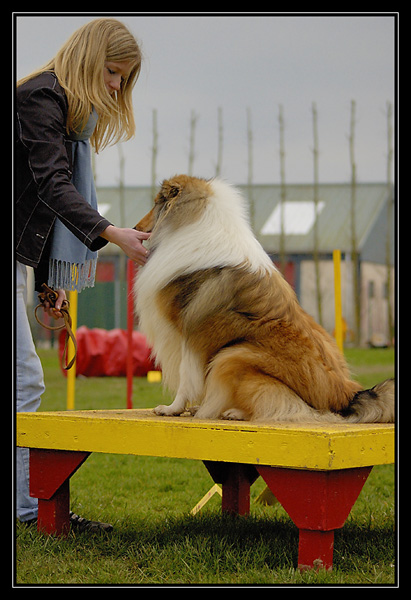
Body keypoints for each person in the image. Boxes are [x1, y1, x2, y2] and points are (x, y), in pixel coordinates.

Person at [15, 18, 150, 531]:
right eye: (114, 73)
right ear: (89, 58)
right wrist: (111, 232)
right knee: (24, 380)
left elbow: (39, 206)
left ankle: (27, 508)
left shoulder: (66, 114)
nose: (117, 87)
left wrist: (49, 283)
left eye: (125, 79)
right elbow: (52, 186)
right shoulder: (39, 99)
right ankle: (28, 512)